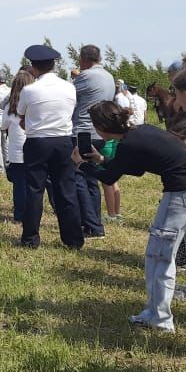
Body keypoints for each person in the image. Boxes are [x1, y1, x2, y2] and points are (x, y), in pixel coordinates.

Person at [74, 101, 186, 332]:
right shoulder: (141, 131)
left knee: (159, 257)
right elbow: (135, 167)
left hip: (181, 194)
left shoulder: (129, 144)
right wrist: (100, 160)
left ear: (99, 128)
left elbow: (109, 178)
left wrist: (81, 166)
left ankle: (159, 318)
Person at [16, 44, 84, 249]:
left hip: (37, 141)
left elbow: (21, 114)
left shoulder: (29, 90)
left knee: (34, 190)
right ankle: (73, 239)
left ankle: (30, 238)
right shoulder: (69, 87)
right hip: (63, 140)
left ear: (33, 67)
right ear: (54, 65)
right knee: (66, 190)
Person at [72, 44, 113, 239]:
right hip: (100, 133)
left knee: (79, 177)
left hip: (83, 132)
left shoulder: (86, 76)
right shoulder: (108, 76)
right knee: (91, 180)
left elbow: (70, 96)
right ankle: (95, 222)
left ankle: (91, 225)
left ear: (83, 59)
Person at [5, 71, 34, 222]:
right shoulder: (34, 103)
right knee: (33, 185)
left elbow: (3, 125)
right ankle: (33, 213)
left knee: (19, 186)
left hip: (16, 152)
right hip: (34, 149)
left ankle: (20, 215)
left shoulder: (11, 107)